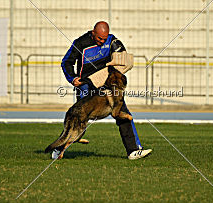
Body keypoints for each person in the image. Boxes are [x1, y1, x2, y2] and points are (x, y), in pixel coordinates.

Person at [61, 21, 152, 160]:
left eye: (104, 39)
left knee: (122, 111)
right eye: (99, 39)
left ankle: (133, 150)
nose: (102, 42)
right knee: (79, 119)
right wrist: (72, 78)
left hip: (106, 83)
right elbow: (66, 62)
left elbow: (123, 56)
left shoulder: (111, 40)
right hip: (86, 84)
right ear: (93, 33)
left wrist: (122, 57)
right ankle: (59, 148)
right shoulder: (80, 43)